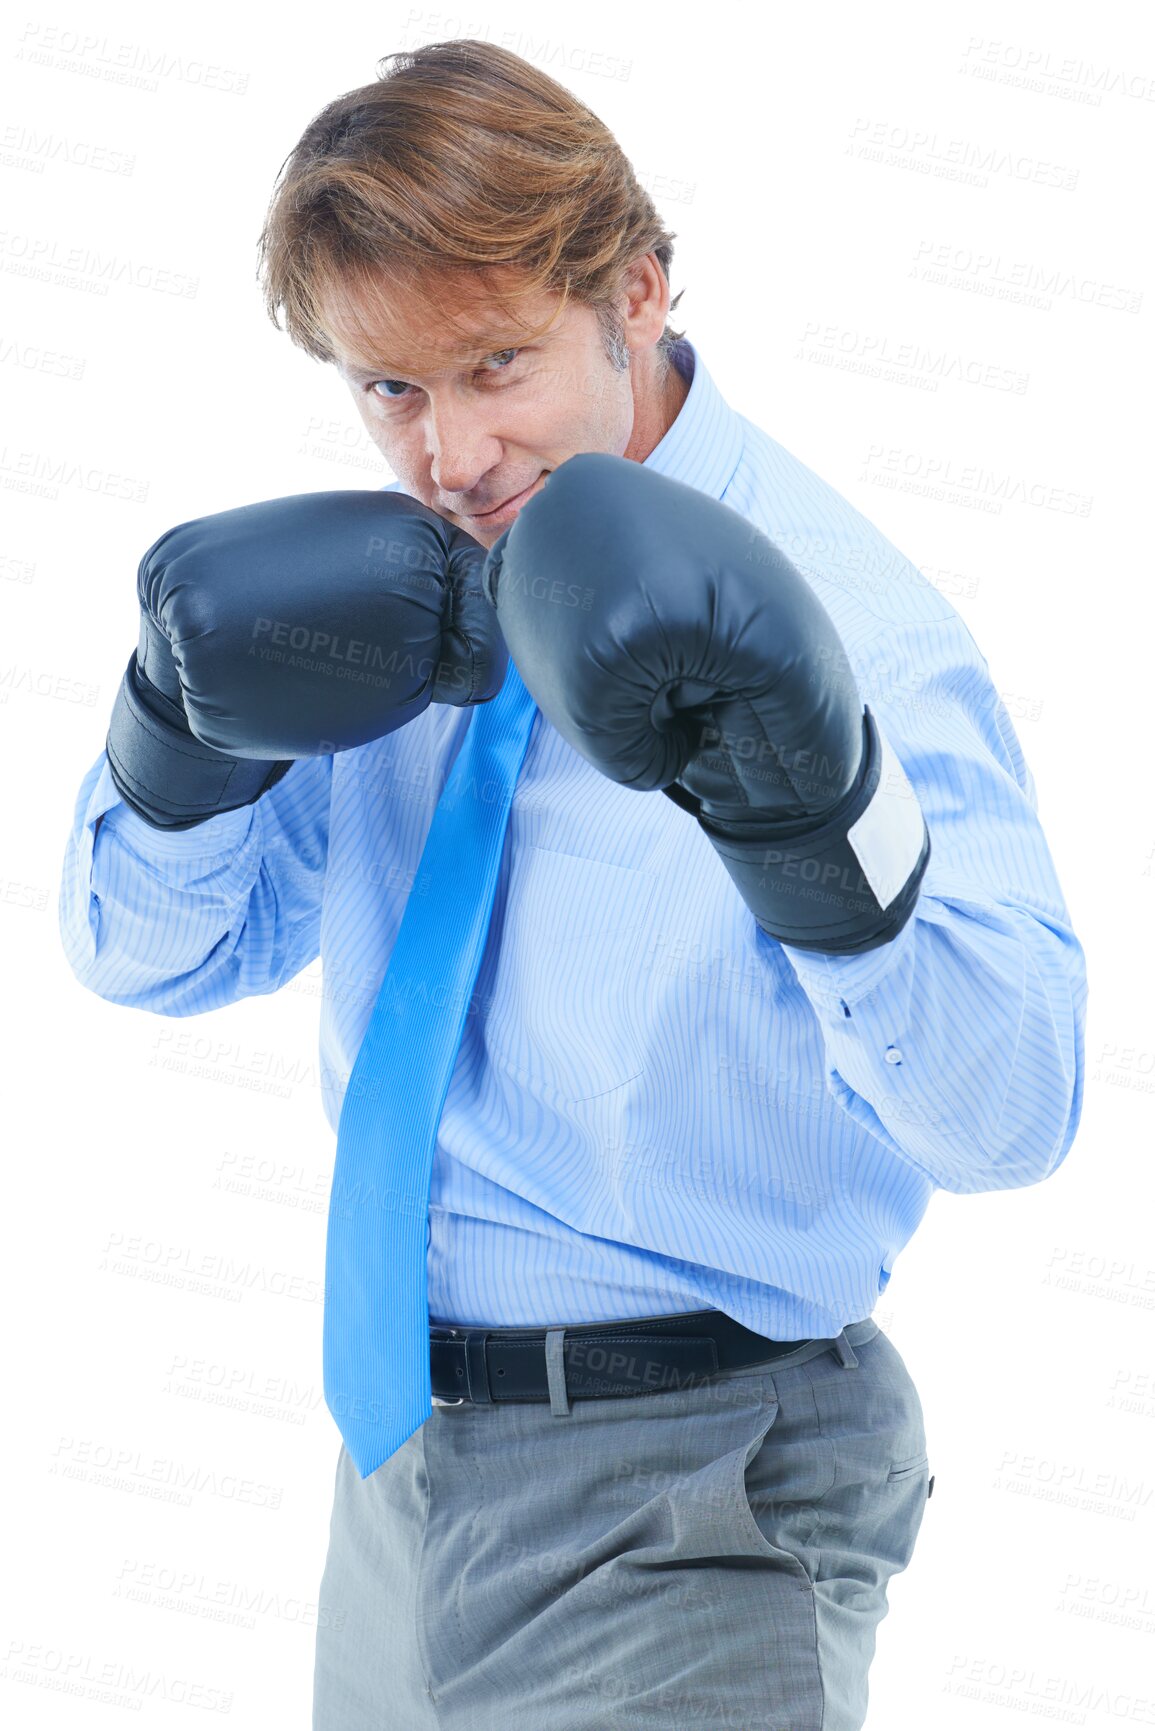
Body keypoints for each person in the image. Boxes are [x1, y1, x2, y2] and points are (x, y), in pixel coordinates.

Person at [58, 38, 1088, 1731]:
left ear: (636, 288)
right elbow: (147, 955)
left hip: (697, 1492)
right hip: (394, 1469)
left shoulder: (846, 628)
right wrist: (173, 724)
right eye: (389, 389)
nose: (450, 452)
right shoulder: (403, 586)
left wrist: (820, 831)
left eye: (495, 365)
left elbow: (1016, 1111)